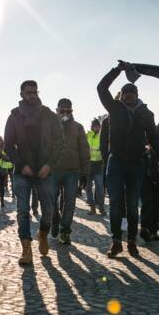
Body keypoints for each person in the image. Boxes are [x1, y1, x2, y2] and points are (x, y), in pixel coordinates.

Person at [97, 62, 159, 258]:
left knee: (133, 204)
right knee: (116, 204)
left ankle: (132, 242)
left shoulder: (145, 113)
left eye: (132, 93)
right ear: (122, 95)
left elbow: (153, 136)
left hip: (136, 164)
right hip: (116, 162)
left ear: (136, 95)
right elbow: (101, 88)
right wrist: (117, 71)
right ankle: (116, 242)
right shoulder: (114, 108)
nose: (128, 96)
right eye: (126, 93)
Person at [4, 80, 63, 265]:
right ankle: (26, 250)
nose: (32, 95)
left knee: (49, 210)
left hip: (45, 169)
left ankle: (43, 234)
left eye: (34, 92)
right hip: (23, 171)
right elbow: (8, 145)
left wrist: (49, 165)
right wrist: (21, 165)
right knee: (23, 211)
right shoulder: (14, 116)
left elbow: (59, 142)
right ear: (21, 94)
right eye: (28, 92)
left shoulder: (48, 114)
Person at [50, 98, 89, 245]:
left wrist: (85, 173)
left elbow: (84, 150)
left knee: (70, 202)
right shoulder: (50, 126)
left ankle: (65, 230)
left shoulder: (78, 127)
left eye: (68, 111)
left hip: (72, 171)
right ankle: (55, 219)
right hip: (53, 170)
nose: (65, 113)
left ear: (72, 111)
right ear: (57, 110)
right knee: (51, 200)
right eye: (62, 111)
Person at [85, 118, 105, 216]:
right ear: (92, 127)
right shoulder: (87, 135)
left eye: (98, 126)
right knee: (88, 188)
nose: (96, 128)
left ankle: (101, 207)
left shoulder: (102, 136)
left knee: (100, 187)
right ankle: (92, 207)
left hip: (98, 164)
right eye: (95, 126)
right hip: (88, 165)